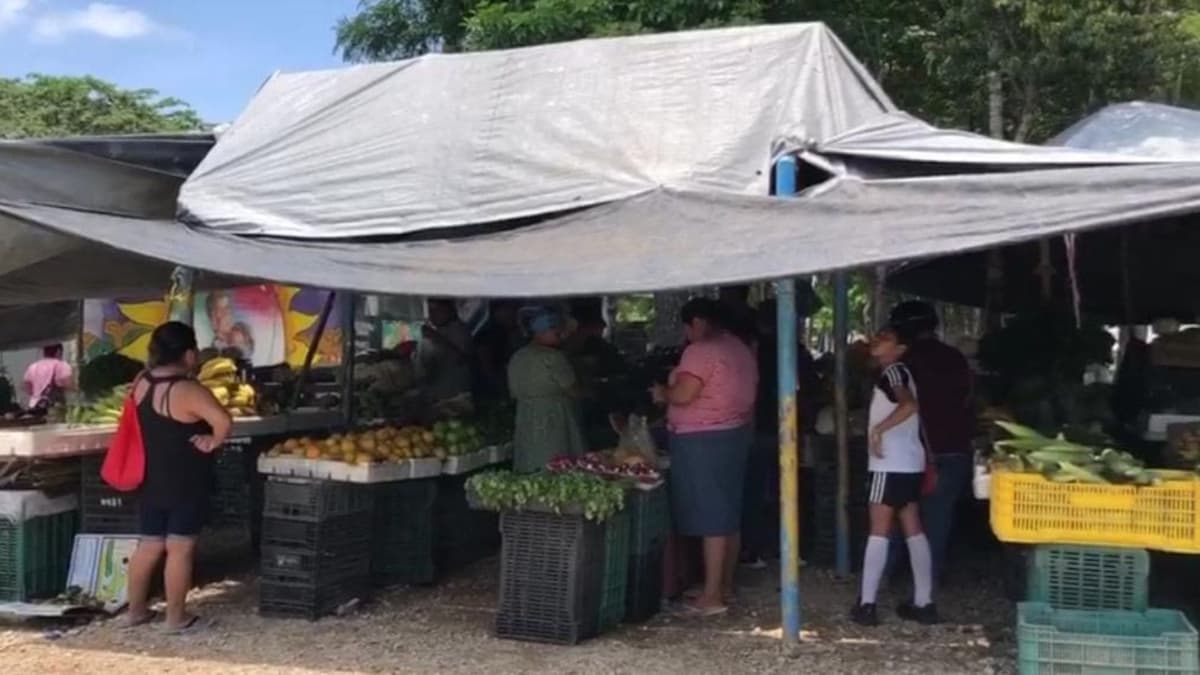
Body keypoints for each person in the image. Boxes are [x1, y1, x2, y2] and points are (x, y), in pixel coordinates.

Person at [124, 322, 232, 633]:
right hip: (185, 478)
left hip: (150, 476)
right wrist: (213, 440)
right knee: (180, 546)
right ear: (188, 354)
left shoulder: (141, 382)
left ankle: (135, 612)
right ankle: (175, 618)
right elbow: (223, 421)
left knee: (149, 545)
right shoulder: (187, 390)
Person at [652, 298, 757, 616]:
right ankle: (724, 585)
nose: (687, 334)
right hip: (735, 433)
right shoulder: (739, 347)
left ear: (697, 322)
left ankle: (711, 596)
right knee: (727, 513)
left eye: (687, 327)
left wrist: (663, 393)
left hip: (703, 438)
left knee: (712, 516)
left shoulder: (700, 351)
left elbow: (684, 394)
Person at [851, 327, 937, 626]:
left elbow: (909, 405)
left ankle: (867, 604)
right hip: (910, 463)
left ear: (900, 349)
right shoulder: (899, 372)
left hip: (889, 464)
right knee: (913, 529)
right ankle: (924, 602)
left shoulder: (893, 373)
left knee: (879, 530)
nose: (877, 340)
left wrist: (878, 429)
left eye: (886, 338)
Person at [890, 300, 973, 584]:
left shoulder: (903, 363)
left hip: (918, 453)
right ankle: (926, 585)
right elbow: (968, 399)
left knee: (897, 521)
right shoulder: (955, 358)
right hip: (955, 450)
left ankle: (884, 582)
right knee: (937, 524)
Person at [508, 308, 587, 473]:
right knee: (556, 460)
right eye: (557, 333)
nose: (561, 337)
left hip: (525, 415)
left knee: (530, 460)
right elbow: (573, 390)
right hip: (553, 415)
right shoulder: (553, 357)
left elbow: (513, 392)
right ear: (543, 332)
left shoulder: (517, 356)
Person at [418, 298, 473, 403]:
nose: (432, 315)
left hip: (455, 395)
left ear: (449, 309)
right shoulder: (437, 332)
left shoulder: (460, 330)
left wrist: (438, 338)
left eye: (436, 310)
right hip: (437, 394)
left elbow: (462, 358)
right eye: (430, 311)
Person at [473, 300, 523, 402]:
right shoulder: (487, 334)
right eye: (508, 309)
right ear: (497, 311)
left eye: (514, 309)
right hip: (491, 389)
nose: (512, 313)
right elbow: (486, 363)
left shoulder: (512, 331)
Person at [23, 344, 73, 411]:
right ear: (58, 351)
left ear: (44, 351)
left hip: (34, 406)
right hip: (53, 406)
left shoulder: (33, 366)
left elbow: (26, 386)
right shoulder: (61, 365)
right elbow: (67, 384)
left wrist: (37, 394)